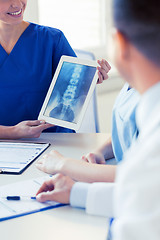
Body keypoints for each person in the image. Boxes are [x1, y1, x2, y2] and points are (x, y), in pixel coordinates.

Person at [36, 0, 160, 239]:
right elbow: (146, 191)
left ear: (119, 43)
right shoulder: (144, 91)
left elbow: (140, 187)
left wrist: (68, 166)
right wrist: (77, 192)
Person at [0, 0, 106, 133]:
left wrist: (91, 78)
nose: (17, 4)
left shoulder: (52, 39)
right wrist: (14, 132)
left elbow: (76, 82)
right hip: (4, 144)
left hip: (55, 141)